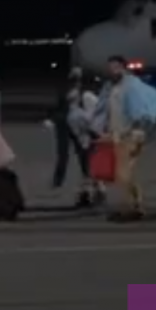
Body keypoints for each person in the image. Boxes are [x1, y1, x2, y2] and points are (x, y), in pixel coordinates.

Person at [90, 55, 156, 222]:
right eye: (110, 67)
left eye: (116, 67)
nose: (112, 70)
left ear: (123, 68)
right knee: (126, 174)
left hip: (129, 135)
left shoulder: (131, 86)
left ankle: (128, 209)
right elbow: (108, 111)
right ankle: (135, 206)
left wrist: (139, 130)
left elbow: (141, 110)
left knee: (122, 174)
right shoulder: (112, 87)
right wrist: (105, 131)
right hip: (118, 134)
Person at [47, 67, 105, 209]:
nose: (74, 83)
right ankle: (94, 191)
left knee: (88, 164)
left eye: (77, 80)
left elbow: (96, 116)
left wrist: (94, 132)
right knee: (85, 164)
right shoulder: (68, 96)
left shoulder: (87, 97)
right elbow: (61, 110)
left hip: (89, 134)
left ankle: (89, 193)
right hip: (78, 133)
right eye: (73, 80)